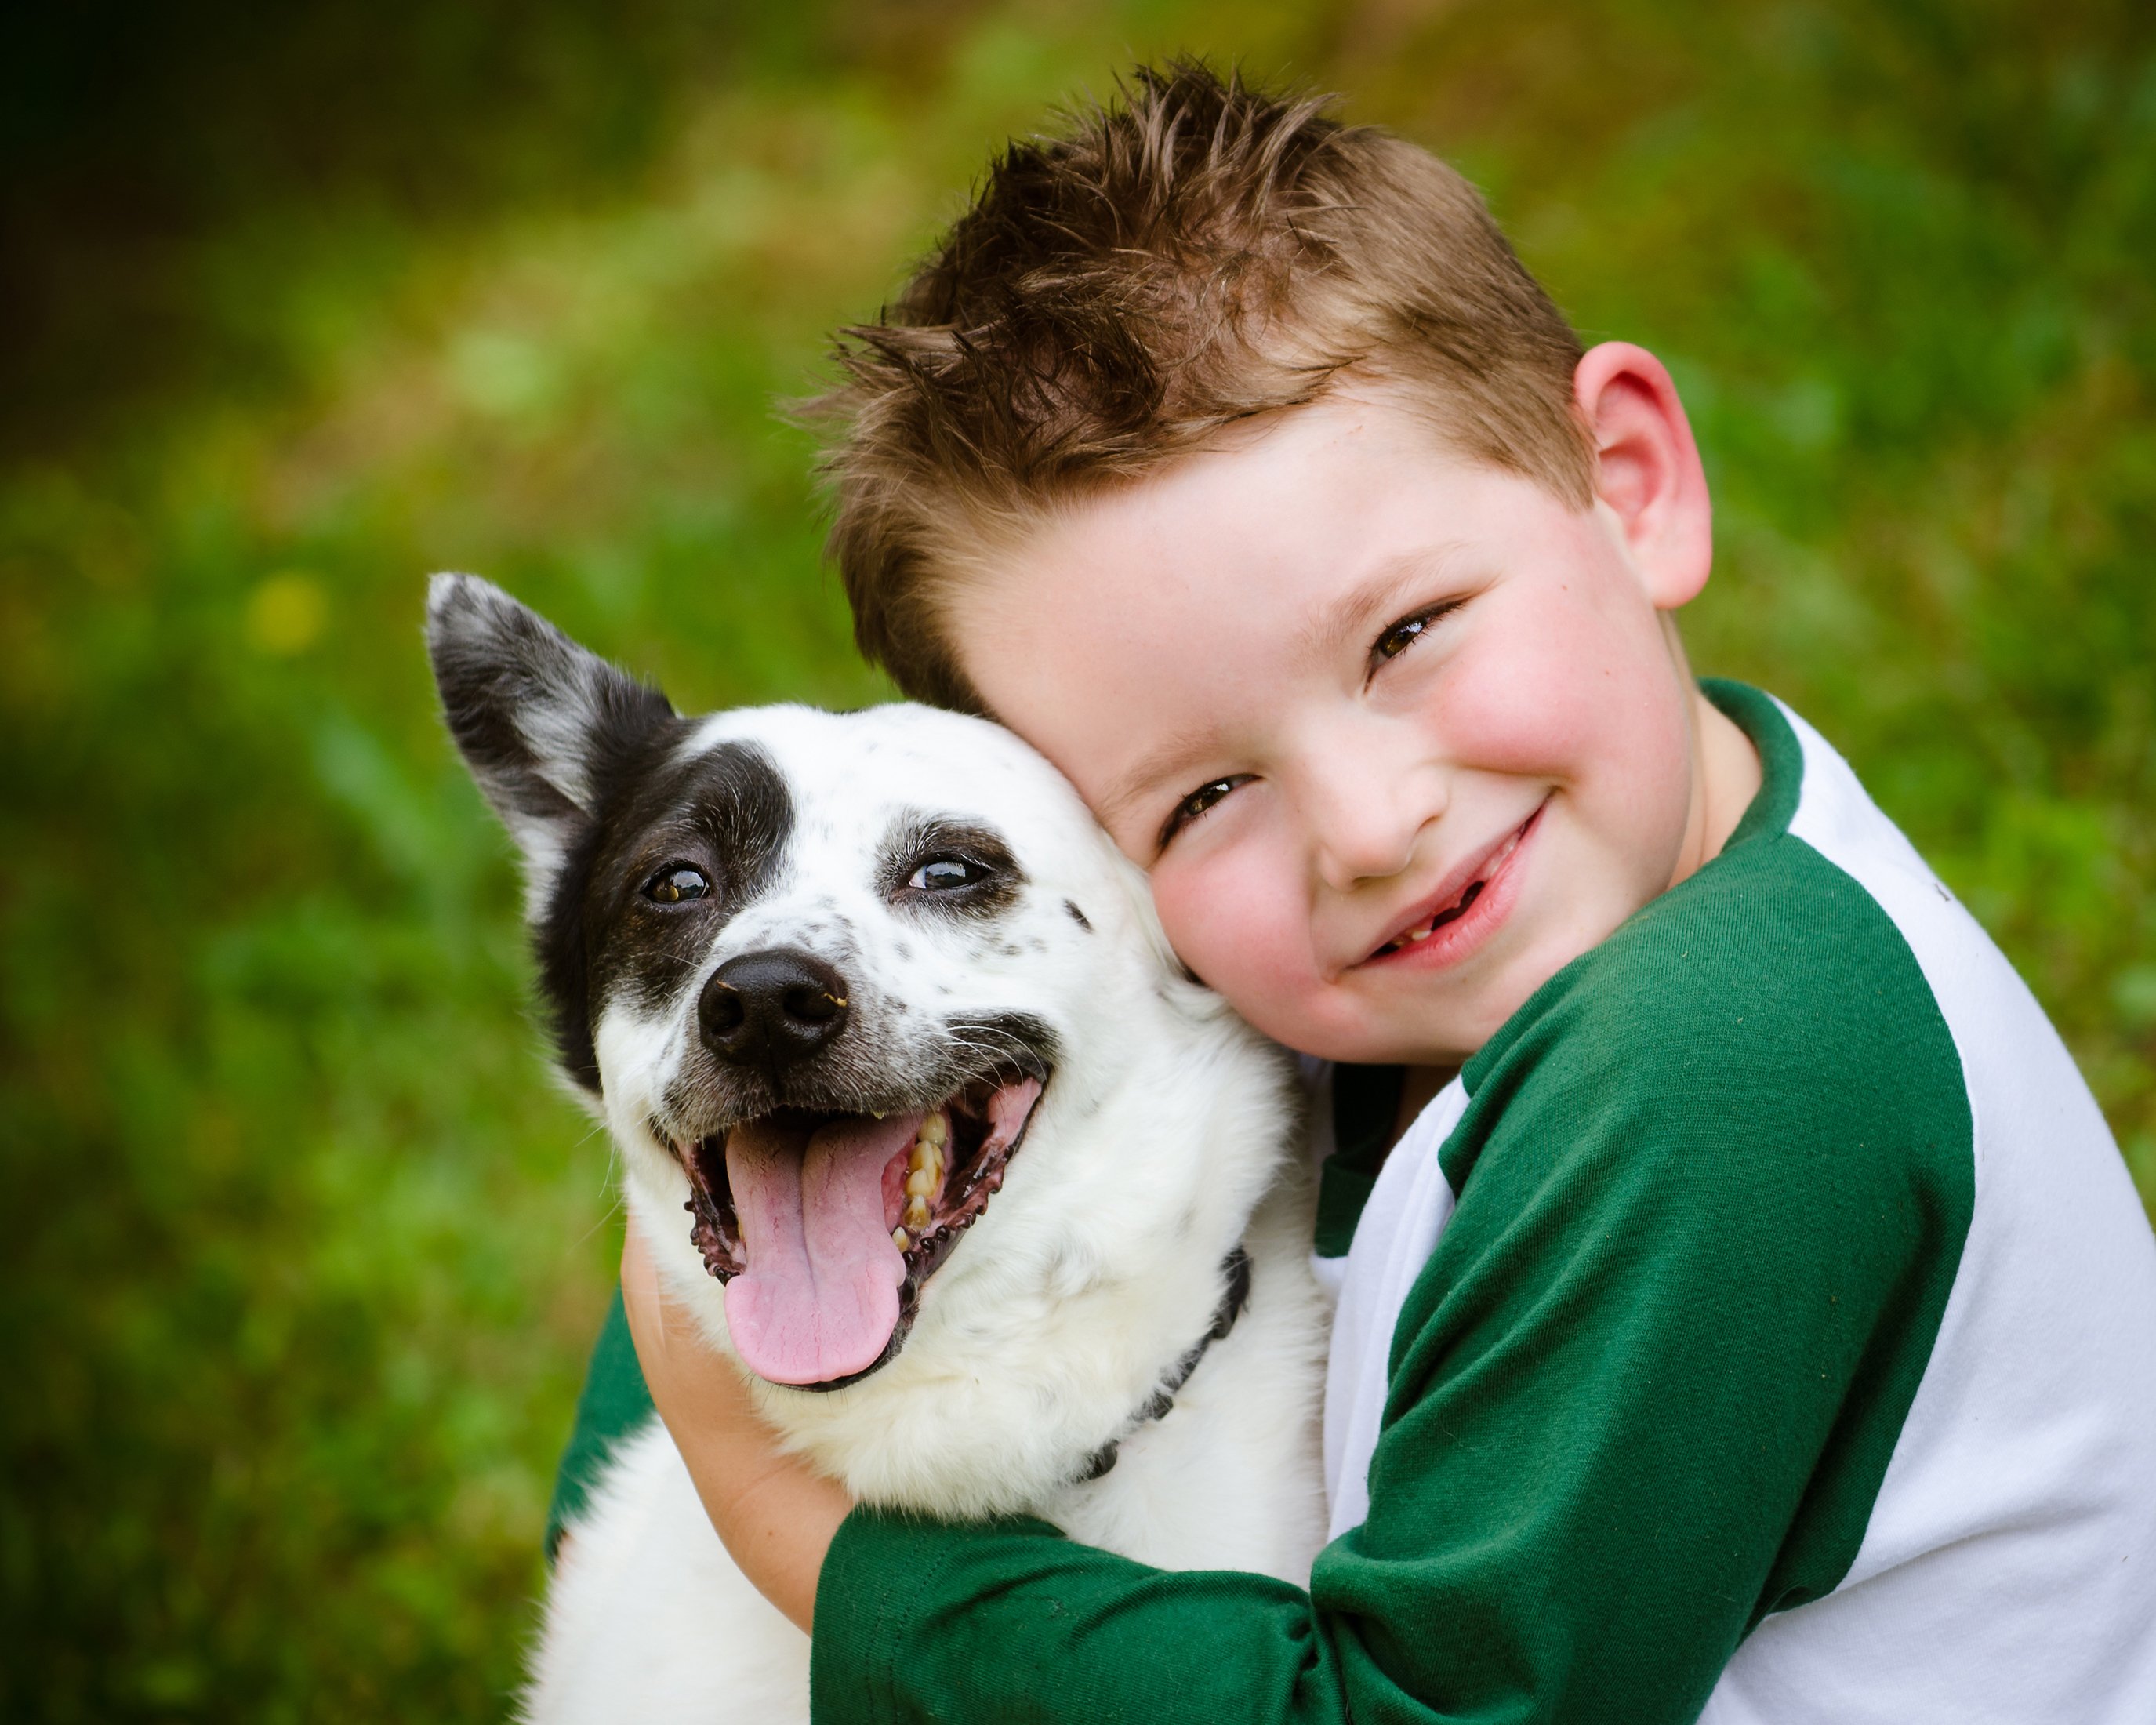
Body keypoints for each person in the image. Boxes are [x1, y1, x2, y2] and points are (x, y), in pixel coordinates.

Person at [565, 61, 2156, 1723]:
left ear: (1626, 479)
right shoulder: (1435, 967)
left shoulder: (1726, 1067)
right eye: (1203, 792)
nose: (1370, 826)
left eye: (1406, 635)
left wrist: (798, 1530)